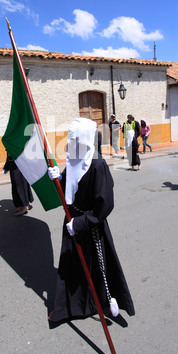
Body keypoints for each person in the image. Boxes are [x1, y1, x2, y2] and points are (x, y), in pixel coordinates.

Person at [47, 117, 135, 324]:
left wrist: (80, 223)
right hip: (71, 222)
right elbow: (69, 191)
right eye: (69, 139)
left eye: (74, 140)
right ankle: (67, 308)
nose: (70, 144)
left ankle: (101, 301)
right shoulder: (73, 159)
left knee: (97, 266)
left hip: (90, 226)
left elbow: (105, 204)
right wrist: (58, 179)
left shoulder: (97, 164)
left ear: (85, 139)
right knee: (71, 266)